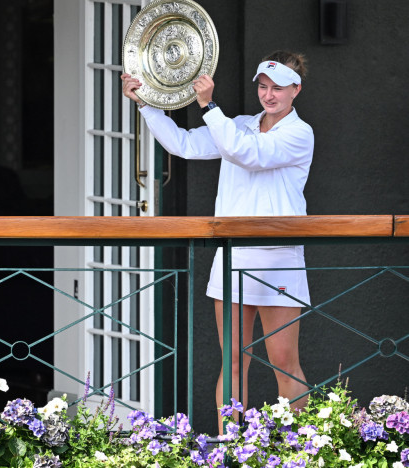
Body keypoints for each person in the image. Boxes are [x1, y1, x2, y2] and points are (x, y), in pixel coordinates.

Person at [121, 51, 313, 434]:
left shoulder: (299, 133)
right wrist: (146, 105)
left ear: (296, 89)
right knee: (233, 362)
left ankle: (299, 448)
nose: (269, 95)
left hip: (278, 259)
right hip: (233, 255)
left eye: (278, 88)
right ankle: (230, 445)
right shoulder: (238, 124)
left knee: (283, 360)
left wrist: (209, 105)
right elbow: (184, 145)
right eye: (263, 86)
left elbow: (248, 155)